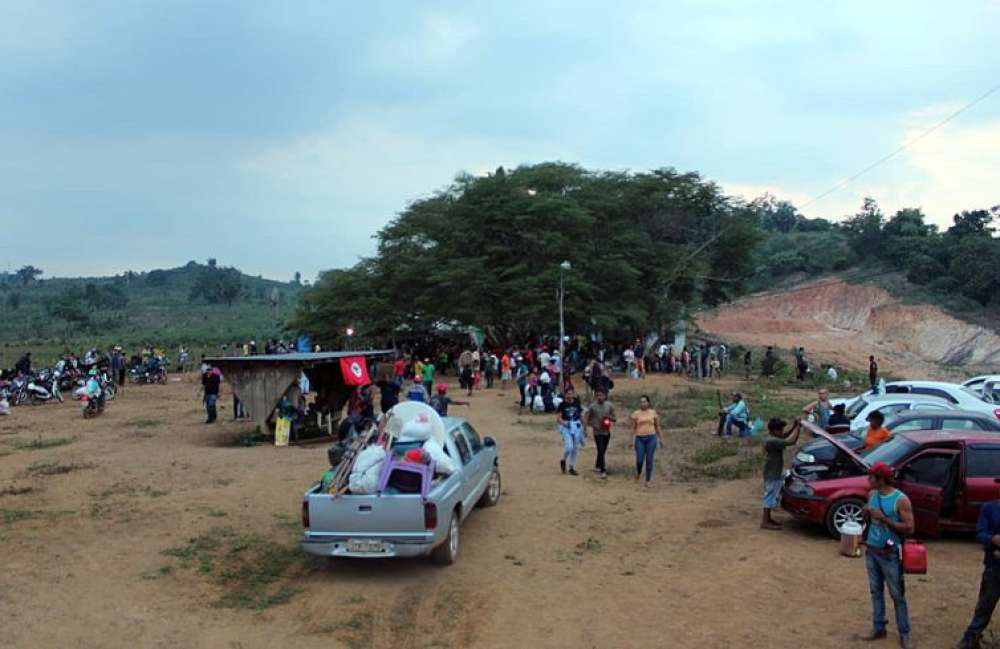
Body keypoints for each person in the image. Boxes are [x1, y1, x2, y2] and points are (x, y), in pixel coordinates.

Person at [861, 461, 915, 648]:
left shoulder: (901, 500)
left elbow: (909, 528)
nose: (868, 480)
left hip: (890, 553)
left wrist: (884, 519)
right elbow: (866, 519)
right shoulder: (872, 495)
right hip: (872, 550)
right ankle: (878, 627)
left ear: (881, 480)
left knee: (897, 594)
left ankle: (904, 633)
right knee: (876, 591)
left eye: (872, 477)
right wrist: (866, 513)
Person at [955, 484, 1000, 649]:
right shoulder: (989, 508)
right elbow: (980, 533)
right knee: (985, 605)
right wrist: (992, 539)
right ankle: (971, 638)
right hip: (994, 568)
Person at [761, 417, 802, 530]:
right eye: (780, 430)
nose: (782, 432)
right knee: (769, 497)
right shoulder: (773, 441)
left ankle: (768, 519)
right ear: (775, 430)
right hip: (773, 472)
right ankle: (765, 522)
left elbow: (784, 436)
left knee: (770, 495)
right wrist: (798, 428)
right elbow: (790, 441)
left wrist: (794, 426)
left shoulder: (771, 437)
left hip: (772, 471)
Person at [630, 395, 663, 488]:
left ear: (648, 403)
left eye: (644, 401)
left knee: (649, 459)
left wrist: (661, 439)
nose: (643, 403)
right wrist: (630, 440)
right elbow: (632, 428)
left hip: (651, 438)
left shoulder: (653, 413)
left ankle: (648, 480)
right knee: (639, 460)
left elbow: (658, 426)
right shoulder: (636, 414)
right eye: (641, 402)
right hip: (640, 438)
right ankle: (639, 472)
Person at [585, 388, 616, 477]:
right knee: (601, 449)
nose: (600, 397)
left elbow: (615, 418)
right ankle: (603, 470)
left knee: (603, 450)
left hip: (606, 431)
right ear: (595, 396)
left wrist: (609, 417)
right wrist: (591, 425)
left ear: (605, 396)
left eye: (602, 395)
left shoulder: (609, 406)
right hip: (597, 432)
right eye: (598, 395)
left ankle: (598, 464)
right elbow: (587, 418)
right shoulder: (592, 407)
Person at [557, 386, 584, 475]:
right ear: (565, 394)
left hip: (576, 425)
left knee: (575, 447)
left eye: (571, 393)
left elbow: (580, 415)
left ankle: (572, 467)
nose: (570, 395)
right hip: (566, 425)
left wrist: (584, 427)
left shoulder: (576, 402)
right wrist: (565, 424)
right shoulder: (562, 404)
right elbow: (559, 418)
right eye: (568, 393)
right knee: (569, 447)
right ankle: (563, 459)